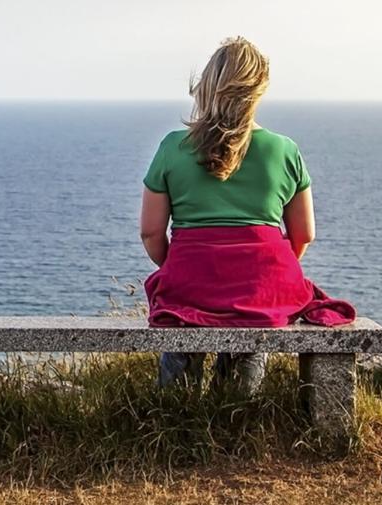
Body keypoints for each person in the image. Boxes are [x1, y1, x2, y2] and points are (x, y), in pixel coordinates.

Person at [139, 37, 355, 389]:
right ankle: (240, 410)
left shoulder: (172, 147)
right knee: (256, 323)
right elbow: (304, 235)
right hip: (264, 285)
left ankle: (176, 412)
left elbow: (150, 232)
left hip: (191, 281)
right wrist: (265, 274)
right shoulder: (285, 150)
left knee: (182, 325)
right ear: (258, 91)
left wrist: (181, 270)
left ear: (206, 87)